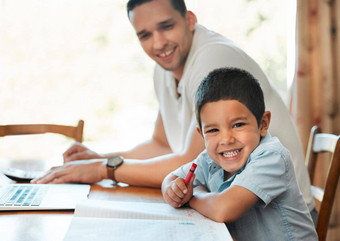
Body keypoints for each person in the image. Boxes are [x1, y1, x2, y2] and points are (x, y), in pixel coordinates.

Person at [32, 0, 315, 216]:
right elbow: (161, 143)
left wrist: (103, 169)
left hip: (274, 219)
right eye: (144, 35)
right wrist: (103, 158)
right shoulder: (167, 68)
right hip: (235, 216)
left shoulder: (212, 58)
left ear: (189, 20)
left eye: (166, 26)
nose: (158, 43)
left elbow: (191, 160)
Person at [162, 67, 317, 241]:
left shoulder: (272, 157)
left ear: (263, 124)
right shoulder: (209, 158)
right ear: (202, 134)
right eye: (213, 130)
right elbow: (171, 178)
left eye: (238, 125)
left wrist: (193, 196)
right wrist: (172, 190)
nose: (226, 139)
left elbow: (223, 209)